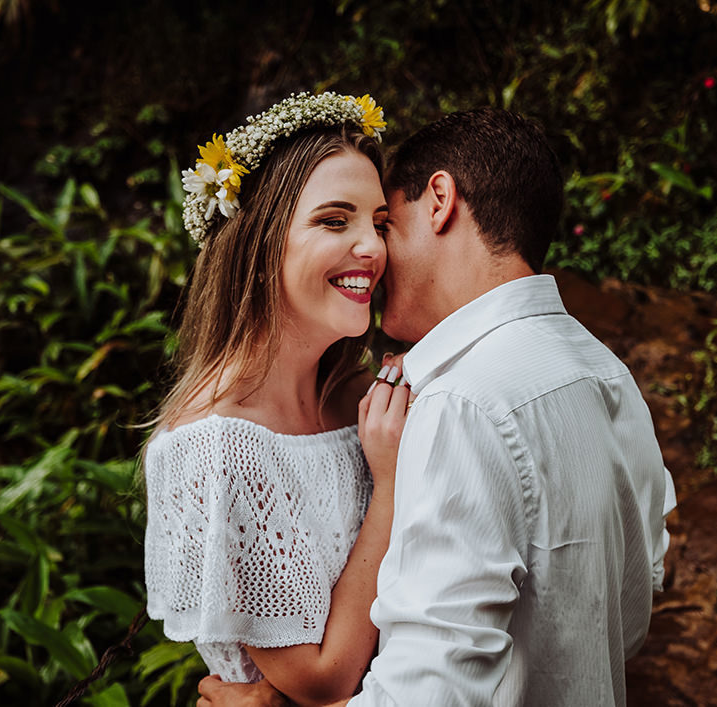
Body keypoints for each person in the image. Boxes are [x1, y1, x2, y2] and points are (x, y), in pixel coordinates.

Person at [196, 106, 677, 706]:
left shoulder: (460, 405)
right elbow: (628, 616)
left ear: (440, 200)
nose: (372, 253)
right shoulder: (604, 371)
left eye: (385, 225)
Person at [143, 92, 414, 706]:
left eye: (379, 223)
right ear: (260, 244)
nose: (372, 248)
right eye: (334, 220)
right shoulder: (218, 445)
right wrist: (391, 487)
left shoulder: (356, 397)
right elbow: (321, 679)